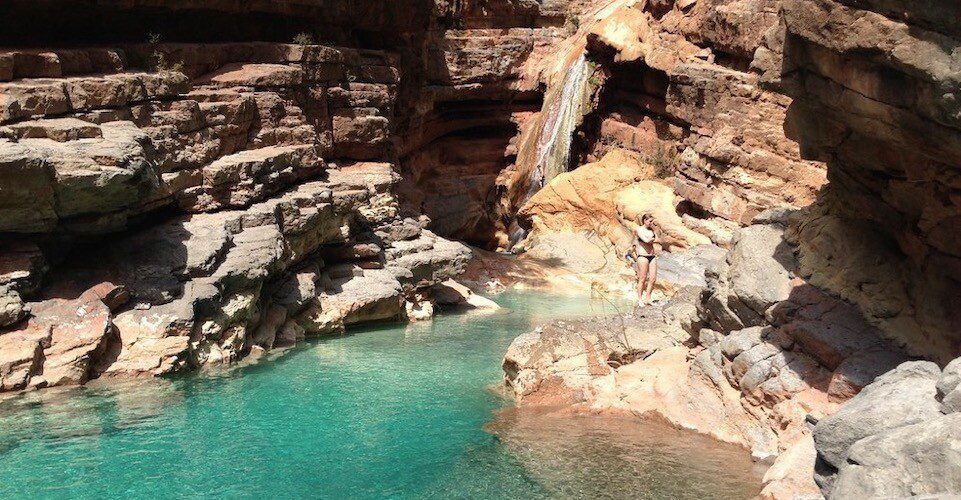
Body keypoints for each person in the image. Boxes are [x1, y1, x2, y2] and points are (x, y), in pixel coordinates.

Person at [626, 213, 658, 305]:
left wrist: (652, 238)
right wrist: (652, 239)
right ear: (644, 220)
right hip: (643, 256)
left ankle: (648, 298)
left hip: (652, 256)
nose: (651, 223)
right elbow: (646, 240)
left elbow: (657, 239)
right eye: (650, 221)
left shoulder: (651, 230)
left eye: (652, 221)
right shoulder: (639, 230)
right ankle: (640, 299)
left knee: (652, 278)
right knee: (642, 278)